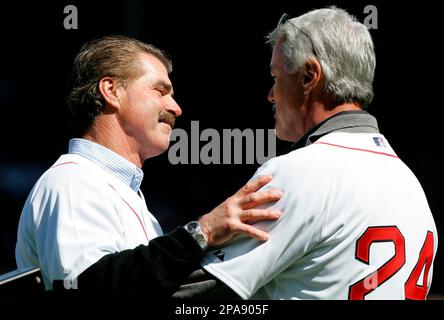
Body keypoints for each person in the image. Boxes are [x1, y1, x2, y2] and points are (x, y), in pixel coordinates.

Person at [173, 7, 438, 300]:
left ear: (309, 76)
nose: (271, 95)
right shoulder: (409, 182)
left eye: (275, 76)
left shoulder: (301, 170)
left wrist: (198, 233)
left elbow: (189, 297)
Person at [14, 36, 283, 297]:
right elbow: (89, 287)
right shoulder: (73, 181)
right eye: (160, 90)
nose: (176, 108)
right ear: (111, 91)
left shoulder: (121, 192)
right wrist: (203, 232)